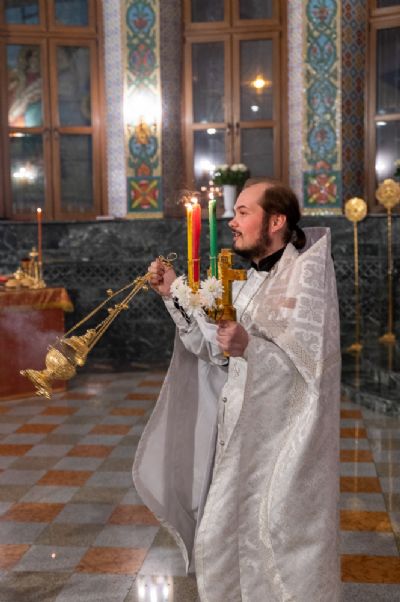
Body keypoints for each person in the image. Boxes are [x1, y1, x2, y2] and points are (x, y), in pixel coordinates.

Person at [133, 181, 341, 602]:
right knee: (229, 534)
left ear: (276, 221)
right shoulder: (246, 282)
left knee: (280, 540)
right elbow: (216, 350)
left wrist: (251, 348)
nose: (232, 221)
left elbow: (312, 365)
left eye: (244, 212)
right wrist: (173, 292)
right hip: (240, 436)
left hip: (283, 444)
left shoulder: (306, 278)